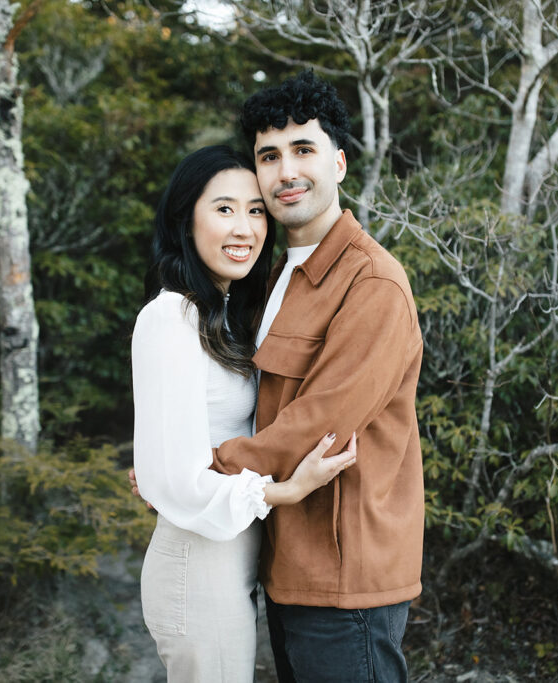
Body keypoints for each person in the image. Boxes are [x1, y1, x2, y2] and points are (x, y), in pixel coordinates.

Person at [206, 71, 425, 682]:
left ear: (340, 163)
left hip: (345, 577)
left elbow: (318, 423)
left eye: (303, 150)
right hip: (287, 563)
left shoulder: (372, 283)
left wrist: (205, 469)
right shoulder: (277, 276)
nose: (286, 171)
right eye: (268, 156)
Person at [131, 144, 357, 683]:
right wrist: (287, 490)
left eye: (256, 210)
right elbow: (179, 480)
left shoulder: (225, 316)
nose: (244, 228)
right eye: (224, 209)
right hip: (196, 567)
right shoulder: (171, 316)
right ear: (186, 220)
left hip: (227, 561)